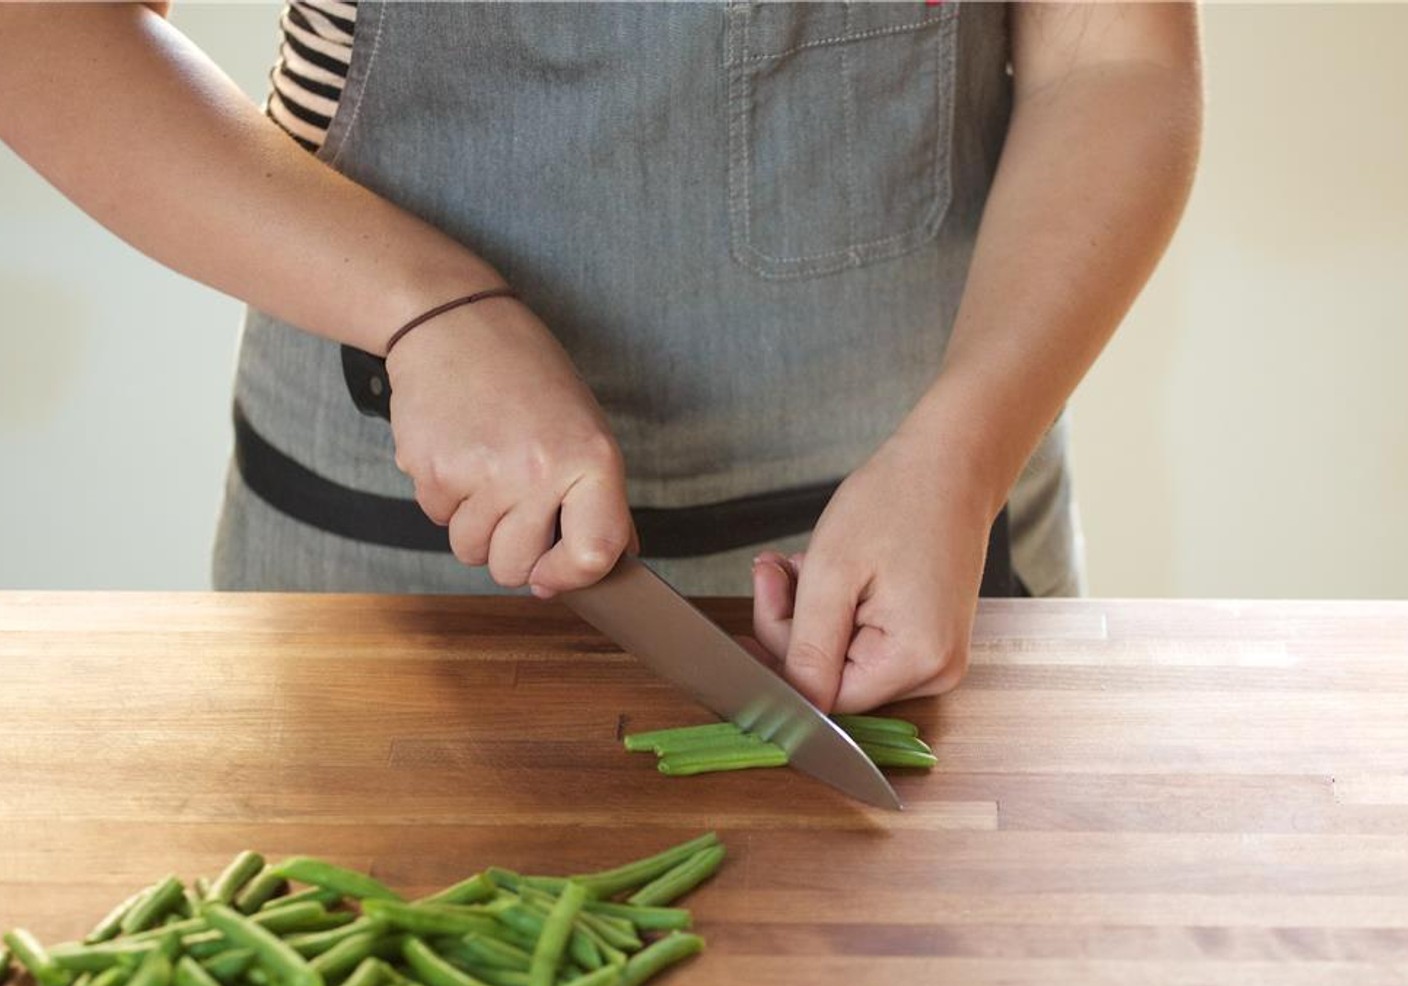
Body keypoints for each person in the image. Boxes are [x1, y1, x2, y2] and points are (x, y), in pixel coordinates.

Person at [0, 2, 1201, 713]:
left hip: (936, 533)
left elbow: (1114, 58)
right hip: (397, 540)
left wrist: (961, 451)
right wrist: (428, 308)